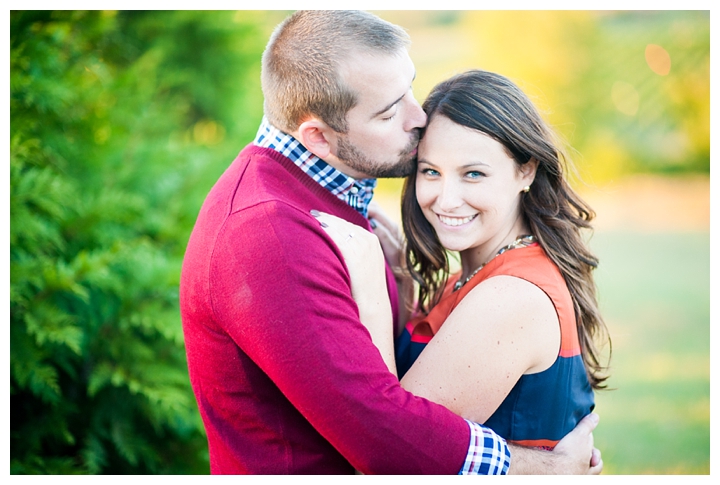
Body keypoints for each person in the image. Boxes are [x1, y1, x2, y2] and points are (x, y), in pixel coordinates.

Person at [180, 10, 602, 474]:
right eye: (388, 111)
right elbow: (391, 437)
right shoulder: (266, 234)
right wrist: (547, 470)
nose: (419, 118)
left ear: (526, 169)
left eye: (409, 90)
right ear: (319, 137)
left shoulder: (336, 210)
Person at [315, 69, 611, 452]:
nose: (447, 199)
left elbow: (393, 453)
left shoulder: (511, 296)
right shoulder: (473, 278)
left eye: (473, 174)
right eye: (430, 172)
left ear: (527, 170)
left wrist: (371, 291)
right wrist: (402, 282)